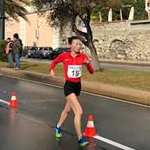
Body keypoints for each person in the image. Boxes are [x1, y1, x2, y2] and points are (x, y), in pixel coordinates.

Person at [49, 36, 94, 147]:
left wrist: (87, 63)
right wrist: (51, 70)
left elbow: (91, 71)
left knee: (67, 111)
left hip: (77, 86)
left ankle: (58, 127)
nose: (79, 46)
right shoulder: (64, 56)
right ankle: (80, 138)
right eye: (76, 44)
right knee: (78, 111)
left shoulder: (83, 56)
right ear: (70, 45)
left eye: (80, 44)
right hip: (68, 86)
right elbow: (54, 62)